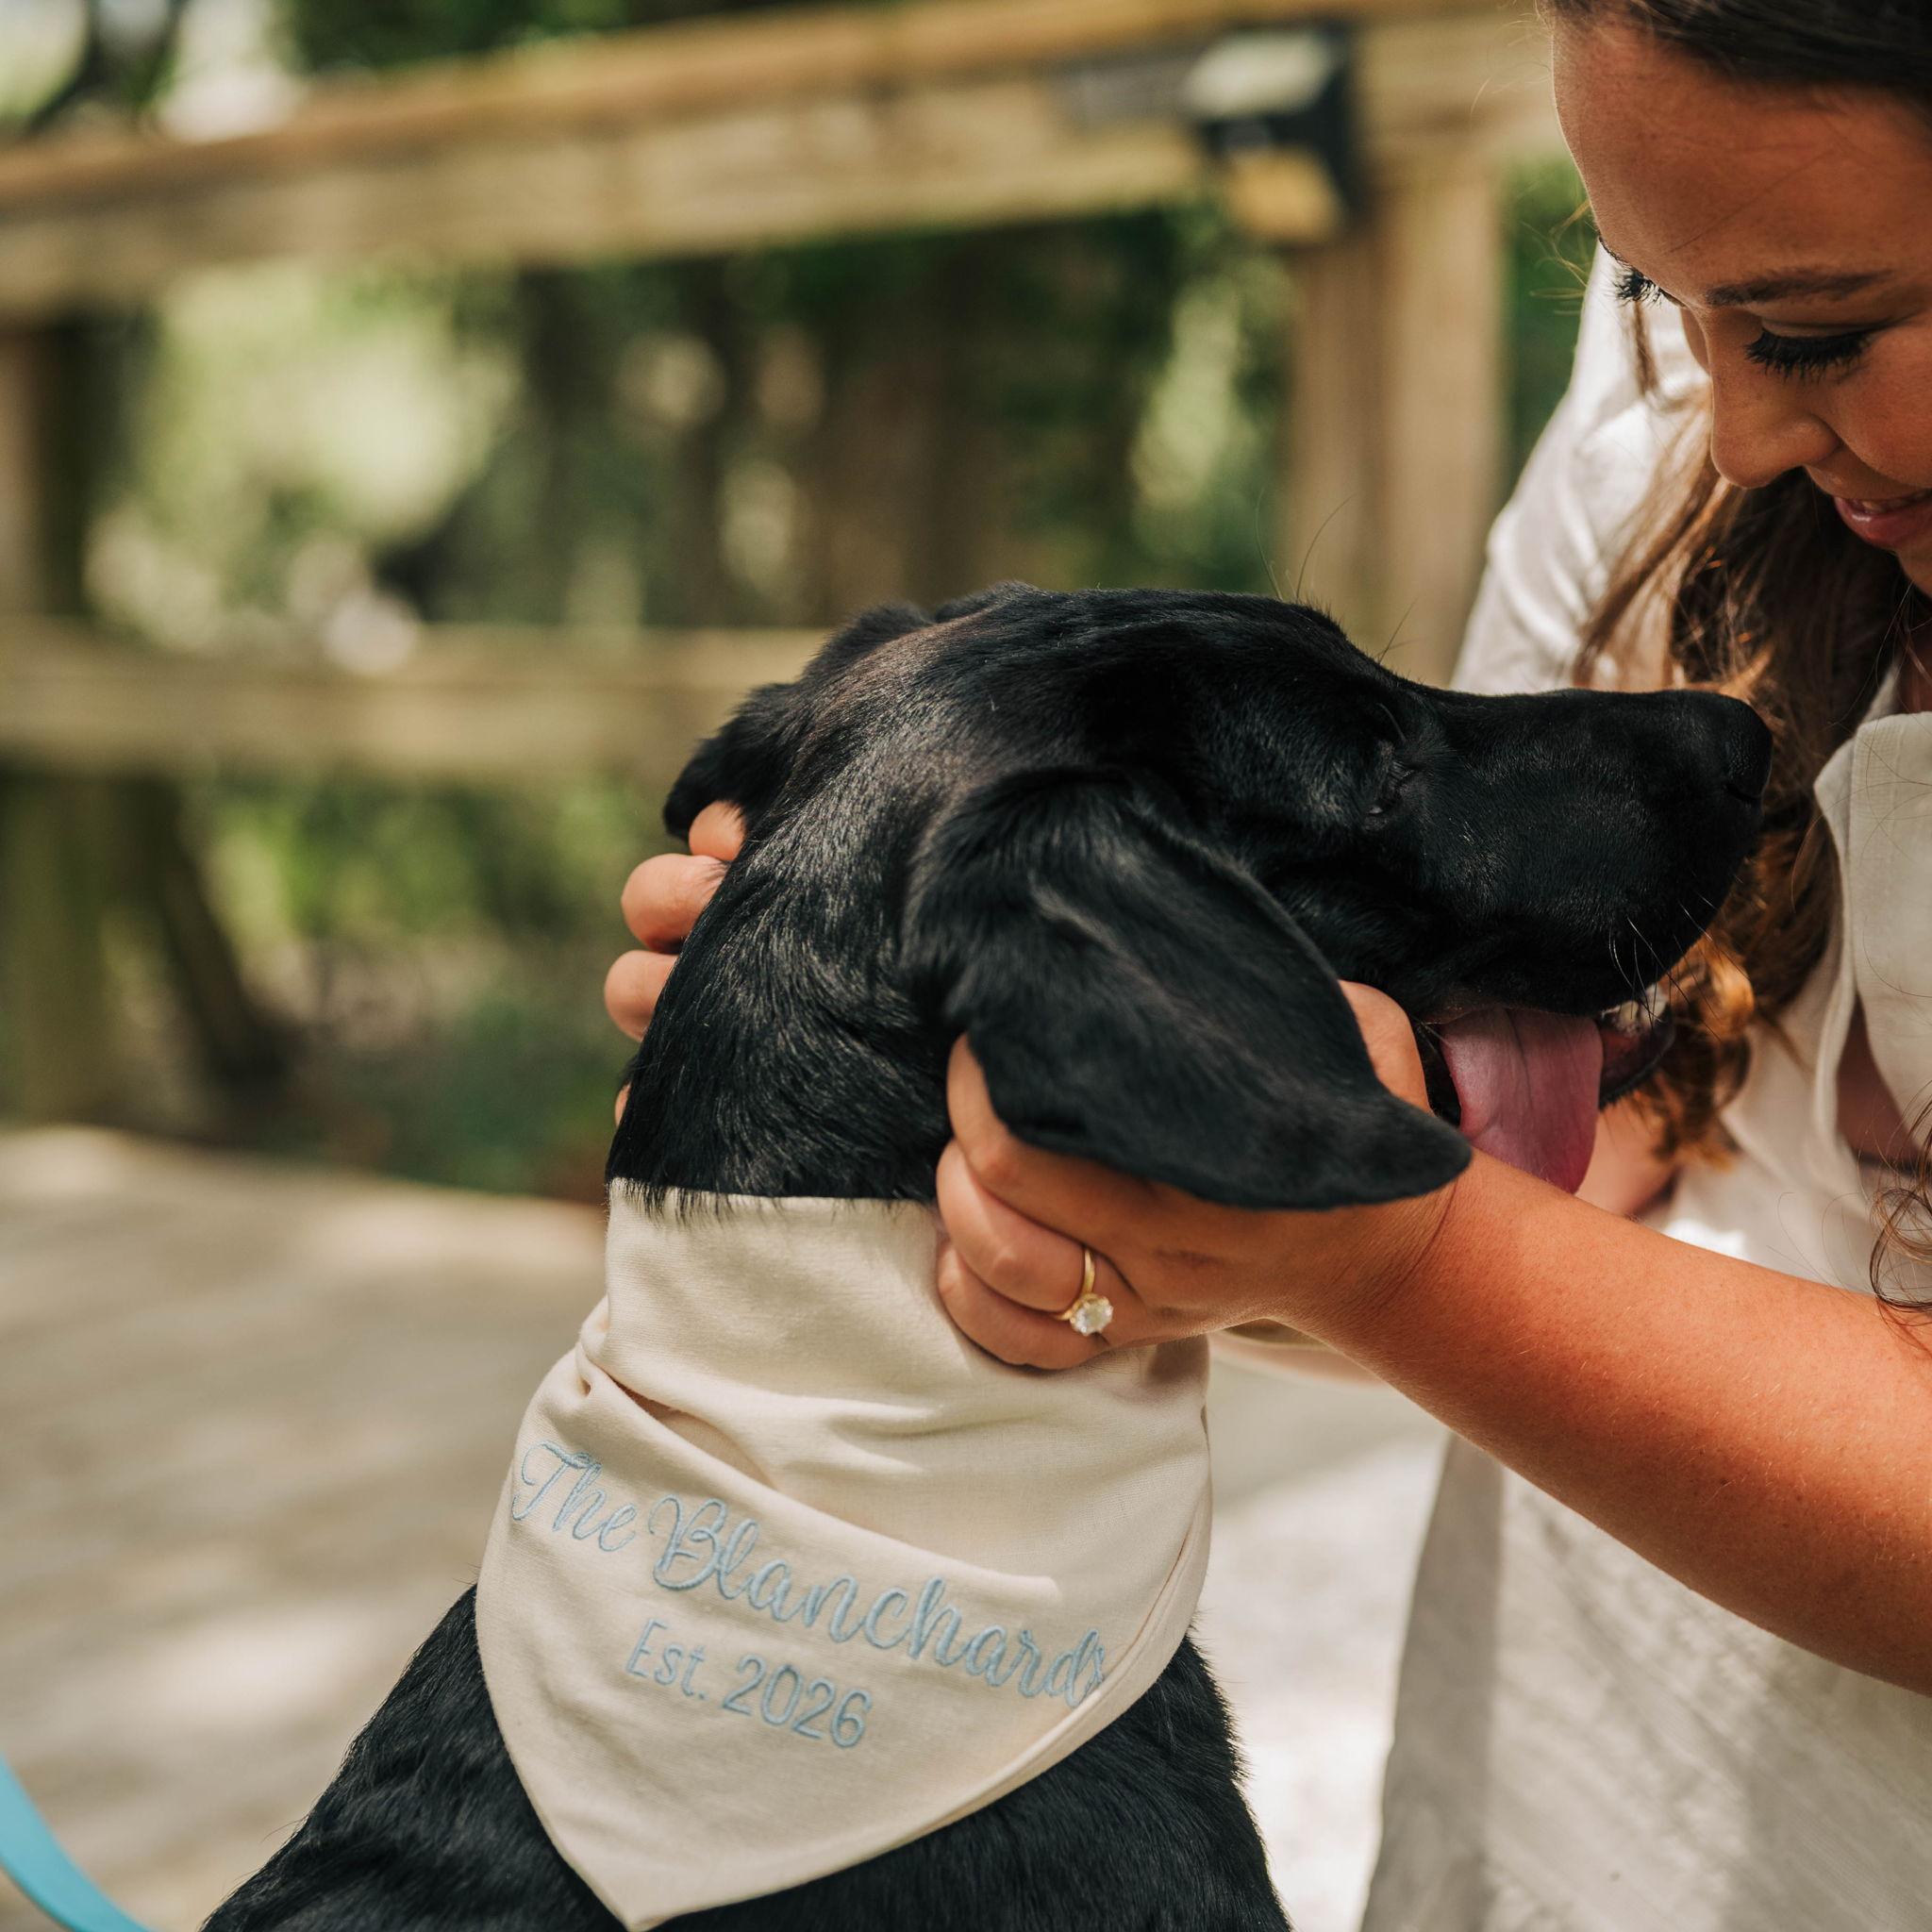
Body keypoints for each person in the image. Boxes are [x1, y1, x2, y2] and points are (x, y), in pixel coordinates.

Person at [604, 3, 1932, 1924]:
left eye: (1815, 334)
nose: (1727, 429)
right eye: (1660, 302)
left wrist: (1383, 1248)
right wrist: (1128, 1145)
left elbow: (1451, 1253)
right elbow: (1593, 1168)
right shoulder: (1697, 377)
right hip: (1569, 1792)